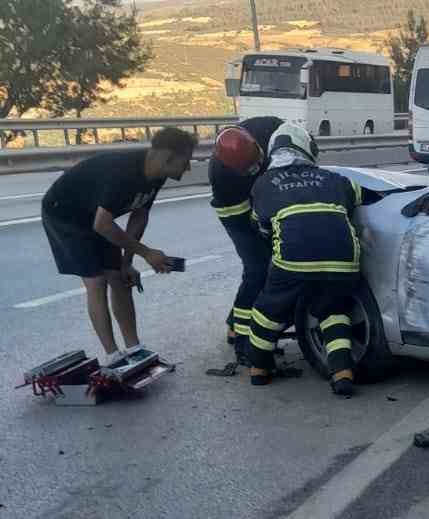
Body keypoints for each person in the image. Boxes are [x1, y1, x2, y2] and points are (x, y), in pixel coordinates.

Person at [40, 126, 194, 368]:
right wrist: (147, 253)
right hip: (65, 215)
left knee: (121, 278)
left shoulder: (157, 175)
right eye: (185, 161)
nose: (188, 168)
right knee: (96, 281)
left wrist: (127, 262)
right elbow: (103, 224)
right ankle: (113, 355)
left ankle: (135, 349)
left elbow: (139, 214)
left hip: (95, 216)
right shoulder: (123, 172)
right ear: (167, 157)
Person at [247, 123, 380, 398]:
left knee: (268, 310)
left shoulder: (263, 184)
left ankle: (259, 368)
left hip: (294, 260)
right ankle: (342, 371)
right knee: (333, 310)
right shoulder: (333, 178)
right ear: (306, 148)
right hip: (342, 260)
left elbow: (261, 226)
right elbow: (363, 198)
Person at [209, 115, 281, 360]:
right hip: (237, 212)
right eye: (249, 169)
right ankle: (241, 336)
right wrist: (263, 233)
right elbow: (242, 220)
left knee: (272, 264)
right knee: (258, 267)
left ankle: (234, 321)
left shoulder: (271, 129)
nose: (256, 168)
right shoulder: (222, 176)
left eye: (257, 162)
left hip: (269, 197)